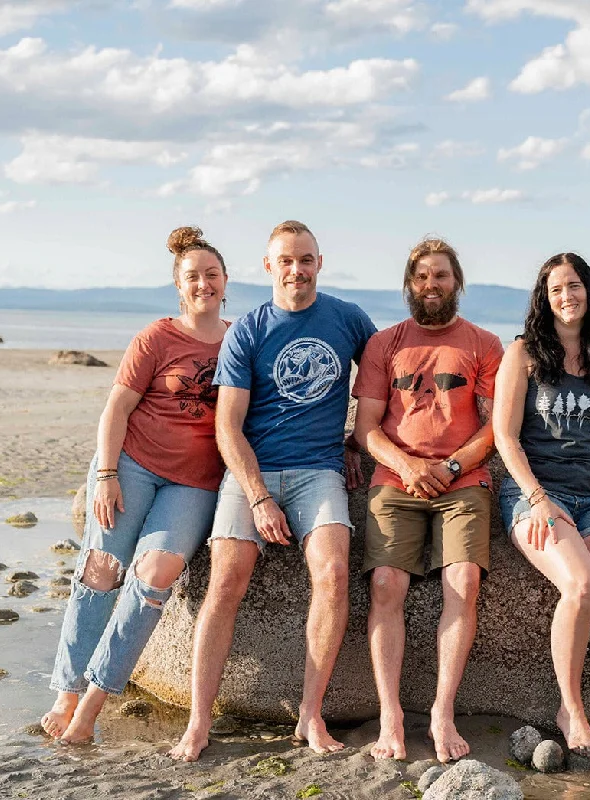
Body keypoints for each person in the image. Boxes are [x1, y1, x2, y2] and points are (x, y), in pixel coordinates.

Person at [169, 220, 376, 762]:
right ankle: (198, 720)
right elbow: (227, 427)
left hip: (318, 471)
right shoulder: (250, 329)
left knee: (332, 573)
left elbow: (384, 383)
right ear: (269, 268)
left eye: (305, 259)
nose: (297, 270)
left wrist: (359, 443)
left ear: (319, 262)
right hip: (252, 472)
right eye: (286, 261)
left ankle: (310, 716)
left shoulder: (348, 319)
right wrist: (258, 495)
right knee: (226, 580)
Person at [41, 227, 230, 743]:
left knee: (155, 574)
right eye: (192, 276)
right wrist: (104, 476)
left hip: (194, 483)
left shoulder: (240, 338)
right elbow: (117, 408)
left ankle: (97, 697)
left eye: (211, 274)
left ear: (226, 281)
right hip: (132, 464)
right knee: (102, 570)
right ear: (178, 285)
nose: (203, 284)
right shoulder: (156, 337)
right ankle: (68, 688)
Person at [352, 237, 503, 763]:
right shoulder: (385, 344)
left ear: (456, 282)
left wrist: (451, 466)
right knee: (386, 583)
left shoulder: (484, 344)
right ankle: (390, 713)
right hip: (396, 481)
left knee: (462, 580)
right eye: (421, 276)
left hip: (463, 481)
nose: (431, 285)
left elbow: (494, 428)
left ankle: (442, 711)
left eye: (440, 275)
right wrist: (410, 465)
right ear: (409, 284)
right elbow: (366, 428)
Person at [492, 252, 590, 774]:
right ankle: (571, 709)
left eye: (574, 286)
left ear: (589, 292)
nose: (566, 297)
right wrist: (536, 496)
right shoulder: (525, 354)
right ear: (544, 298)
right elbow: (504, 437)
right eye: (556, 289)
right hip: (535, 494)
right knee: (580, 584)